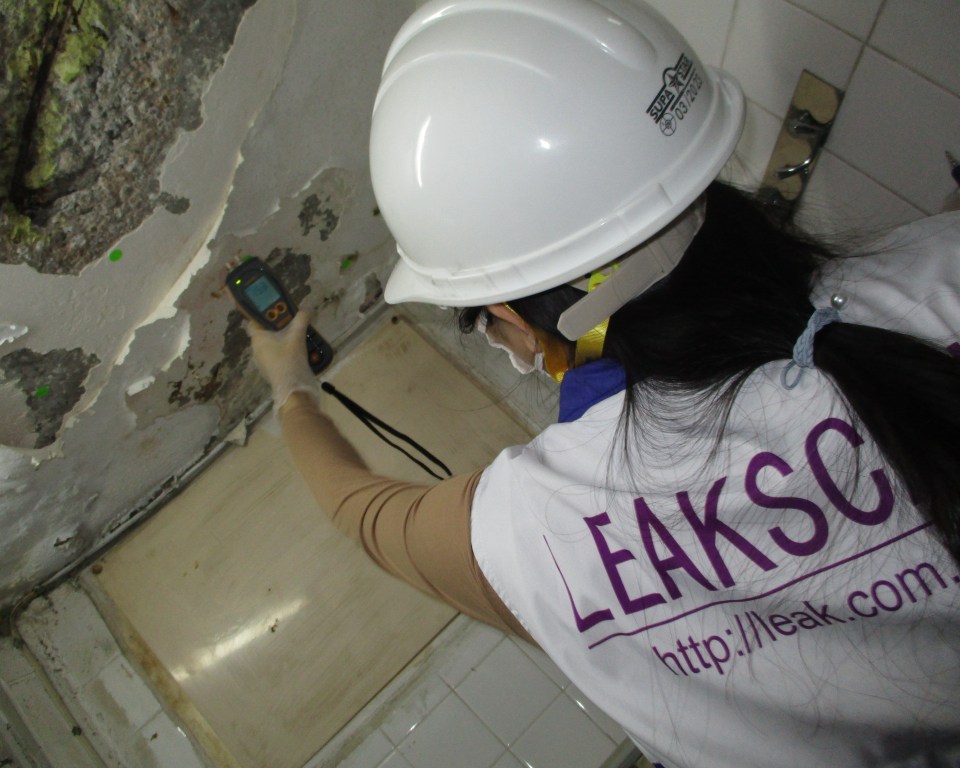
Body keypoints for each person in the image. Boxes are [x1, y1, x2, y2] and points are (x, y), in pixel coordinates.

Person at [247, 1, 960, 766]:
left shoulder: (543, 531)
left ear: (508, 315)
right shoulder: (937, 276)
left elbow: (361, 511)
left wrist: (291, 386)